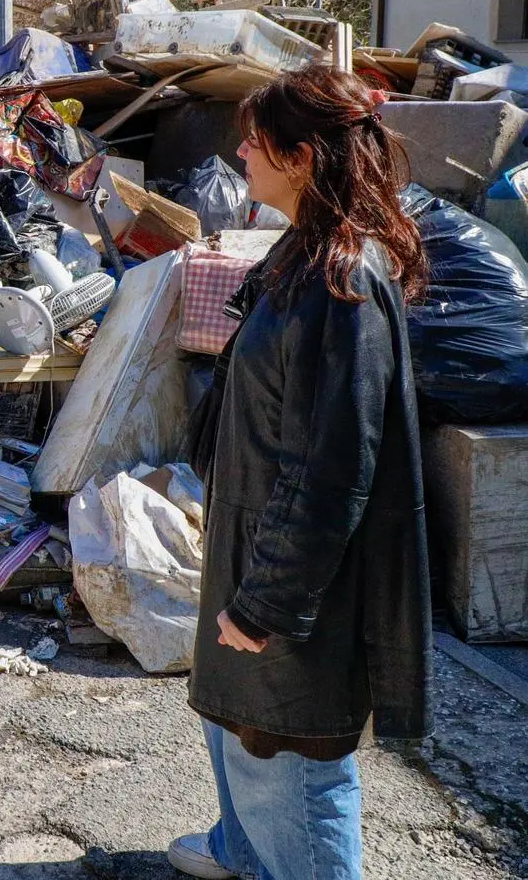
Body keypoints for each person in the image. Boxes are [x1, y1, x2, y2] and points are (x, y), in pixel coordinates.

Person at [168, 66, 434, 880]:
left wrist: (266, 600)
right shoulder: (300, 252)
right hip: (251, 537)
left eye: (257, 138)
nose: (241, 150)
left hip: (297, 577)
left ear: (302, 157)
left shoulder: (341, 282)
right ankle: (243, 847)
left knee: (287, 745)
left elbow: (331, 470)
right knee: (238, 727)